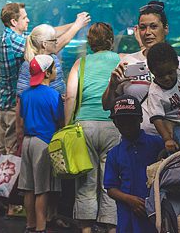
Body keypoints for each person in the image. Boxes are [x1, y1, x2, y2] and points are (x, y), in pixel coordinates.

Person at [0, 2, 89, 217]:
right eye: (24, 18)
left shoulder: (7, 37)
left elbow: (48, 35)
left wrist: (74, 23)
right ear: (14, 21)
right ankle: (9, 204)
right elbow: (54, 44)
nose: (28, 20)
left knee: (2, 153)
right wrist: (76, 27)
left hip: (5, 105)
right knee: (10, 156)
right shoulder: (15, 41)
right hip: (13, 110)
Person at [64, 23, 122, 233]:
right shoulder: (120, 60)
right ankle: (111, 229)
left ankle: (86, 229)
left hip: (84, 126)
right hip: (113, 126)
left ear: (90, 42)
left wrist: (66, 126)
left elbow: (70, 95)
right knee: (111, 181)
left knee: (85, 182)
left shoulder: (81, 63)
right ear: (111, 40)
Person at [102, 1, 180, 136]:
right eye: (143, 28)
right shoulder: (128, 62)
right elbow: (106, 106)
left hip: (174, 138)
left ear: (166, 29)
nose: (147, 32)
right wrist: (112, 86)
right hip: (137, 140)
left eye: (153, 27)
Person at [17, 54, 64, 233]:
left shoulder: (26, 94)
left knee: (28, 188)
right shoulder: (53, 95)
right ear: (46, 72)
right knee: (42, 189)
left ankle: (30, 224)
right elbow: (60, 121)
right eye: (53, 68)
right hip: (43, 142)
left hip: (27, 142)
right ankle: (41, 227)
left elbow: (21, 120)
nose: (55, 71)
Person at [104, 95, 164, 233]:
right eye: (121, 122)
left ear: (140, 119)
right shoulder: (114, 153)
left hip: (155, 210)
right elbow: (111, 188)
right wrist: (129, 200)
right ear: (115, 123)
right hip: (127, 214)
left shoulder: (157, 144)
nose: (126, 126)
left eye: (131, 121)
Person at [17, 24, 67, 97]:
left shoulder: (54, 58)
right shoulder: (29, 64)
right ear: (44, 44)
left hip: (58, 103)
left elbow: (59, 81)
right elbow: (21, 92)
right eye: (54, 40)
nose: (56, 42)